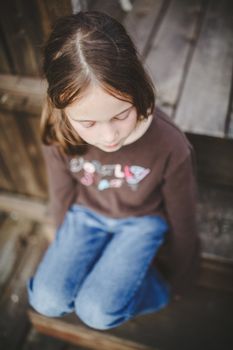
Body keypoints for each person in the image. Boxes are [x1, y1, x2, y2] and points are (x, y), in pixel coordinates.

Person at [27, 11, 200, 330]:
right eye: (88, 123)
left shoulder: (170, 144)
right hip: (86, 216)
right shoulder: (59, 133)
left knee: (97, 313)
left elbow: (184, 215)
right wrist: (65, 242)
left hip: (141, 222)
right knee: (46, 301)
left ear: (136, 87)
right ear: (61, 109)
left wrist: (181, 278)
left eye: (121, 115)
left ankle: (154, 290)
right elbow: (62, 194)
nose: (109, 137)